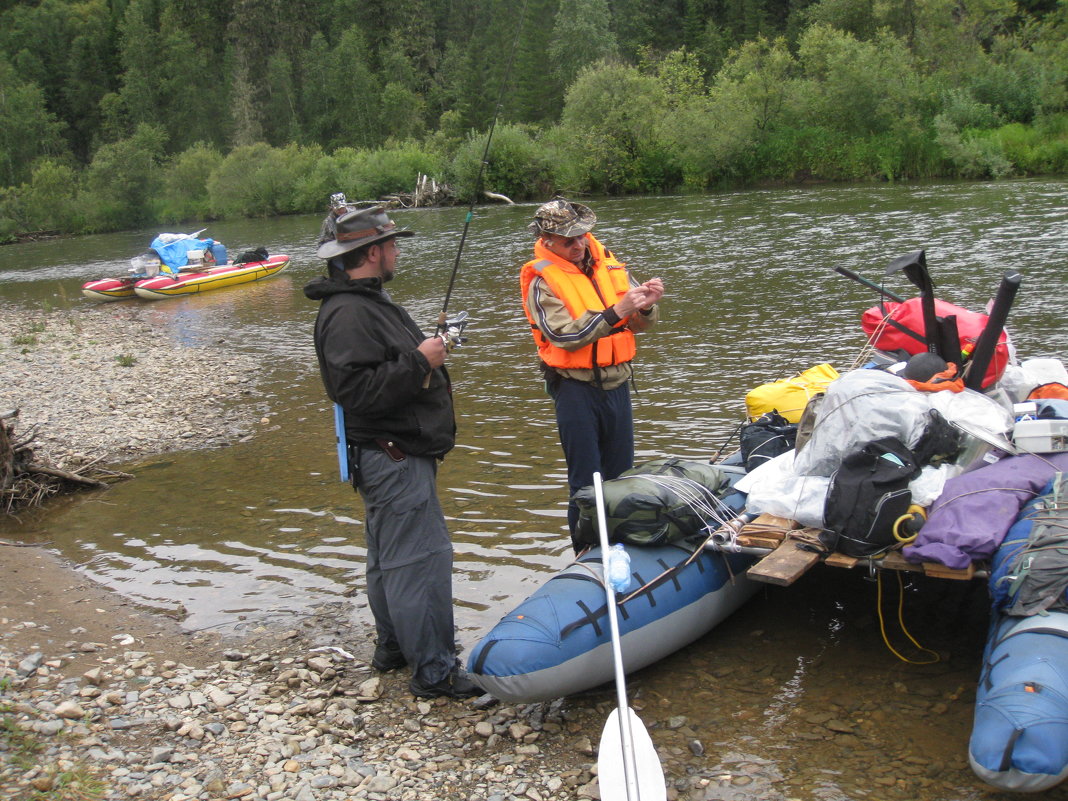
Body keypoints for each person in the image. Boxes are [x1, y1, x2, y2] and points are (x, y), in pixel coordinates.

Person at [304, 205, 481, 700]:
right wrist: (419, 360)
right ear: (373, 252)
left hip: (386, 456)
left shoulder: (364, 302)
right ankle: (434, 670)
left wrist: (420, 356)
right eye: (393, 244)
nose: (398, 251)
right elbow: (355, 391)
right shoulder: (348, 313)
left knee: (388, 557)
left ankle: (395, 649)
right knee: (421, 559)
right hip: (393, 458)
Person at [520, 198, 664, 552]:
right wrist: (618, 311)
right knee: (586, 481)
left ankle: (623, 547)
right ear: (547, 240)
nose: (579, 243)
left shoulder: (609, 264)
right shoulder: (542, 280)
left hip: (618, 383)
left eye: (582, 235)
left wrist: (645, 305)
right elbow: (564, 336)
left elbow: (642, 324)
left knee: (621, 475)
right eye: (569, 239)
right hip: (574, 389)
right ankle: (586, 554)